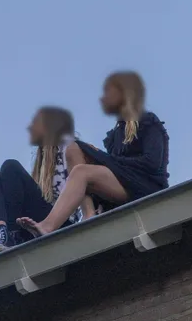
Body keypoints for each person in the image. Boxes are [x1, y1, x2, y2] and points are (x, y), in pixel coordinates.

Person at [17, 71, 169, 236]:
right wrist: (104, 160)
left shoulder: (147, 121)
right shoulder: (115, 135)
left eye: (109, 92)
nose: (103, 98)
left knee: (81, 171)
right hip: (125, 187)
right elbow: (117, 168)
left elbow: (152, 164)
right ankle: (89, 214)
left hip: (148, 187)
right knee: (73, 148)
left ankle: (47, 226)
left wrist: (107, 160)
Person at [0, 107, 92, 255]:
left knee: (10, 167)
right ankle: (3, 233)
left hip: (60, 222)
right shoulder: (41, 160)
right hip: (35, 222)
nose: (29, 128)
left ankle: (14, 233)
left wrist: (90, 212)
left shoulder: (69, 148)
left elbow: (86, 182)